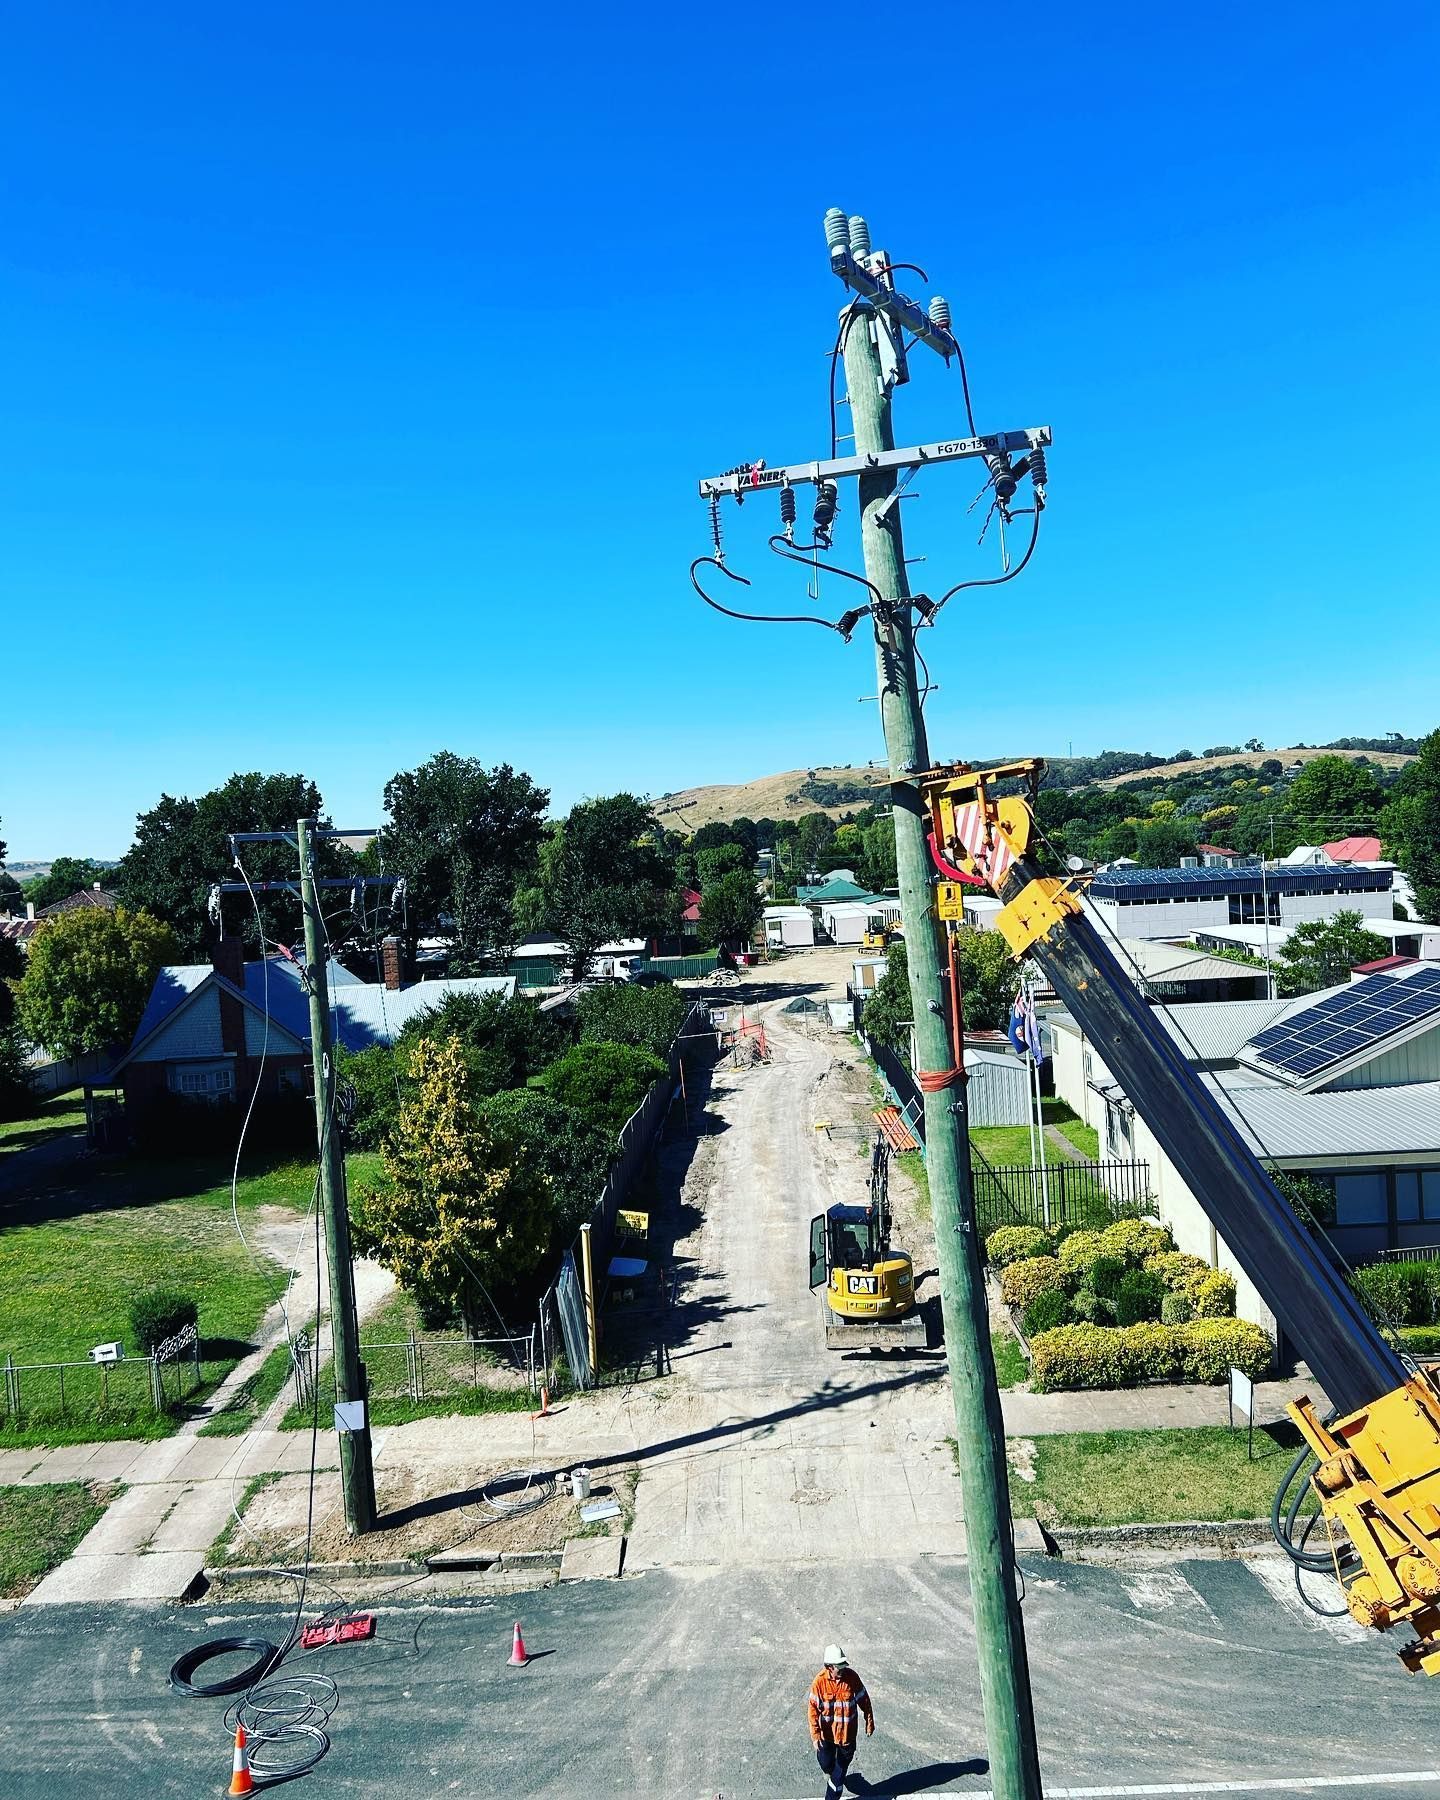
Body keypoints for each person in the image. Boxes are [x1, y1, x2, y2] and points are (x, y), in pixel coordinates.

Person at [807, 1643, 874, 1800]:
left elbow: (864, 1700)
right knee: (825, 1764)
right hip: (826, 1736)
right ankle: (835, 1774)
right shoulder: (819, 1683)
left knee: (838, 1777)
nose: (843, 1669)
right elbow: (812, 1711)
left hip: (846, 1738)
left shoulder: (852, 1678)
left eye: (844, 1665)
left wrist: (869, 1720)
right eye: (839, 1666)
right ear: (830, 1667)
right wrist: (816, 1735)